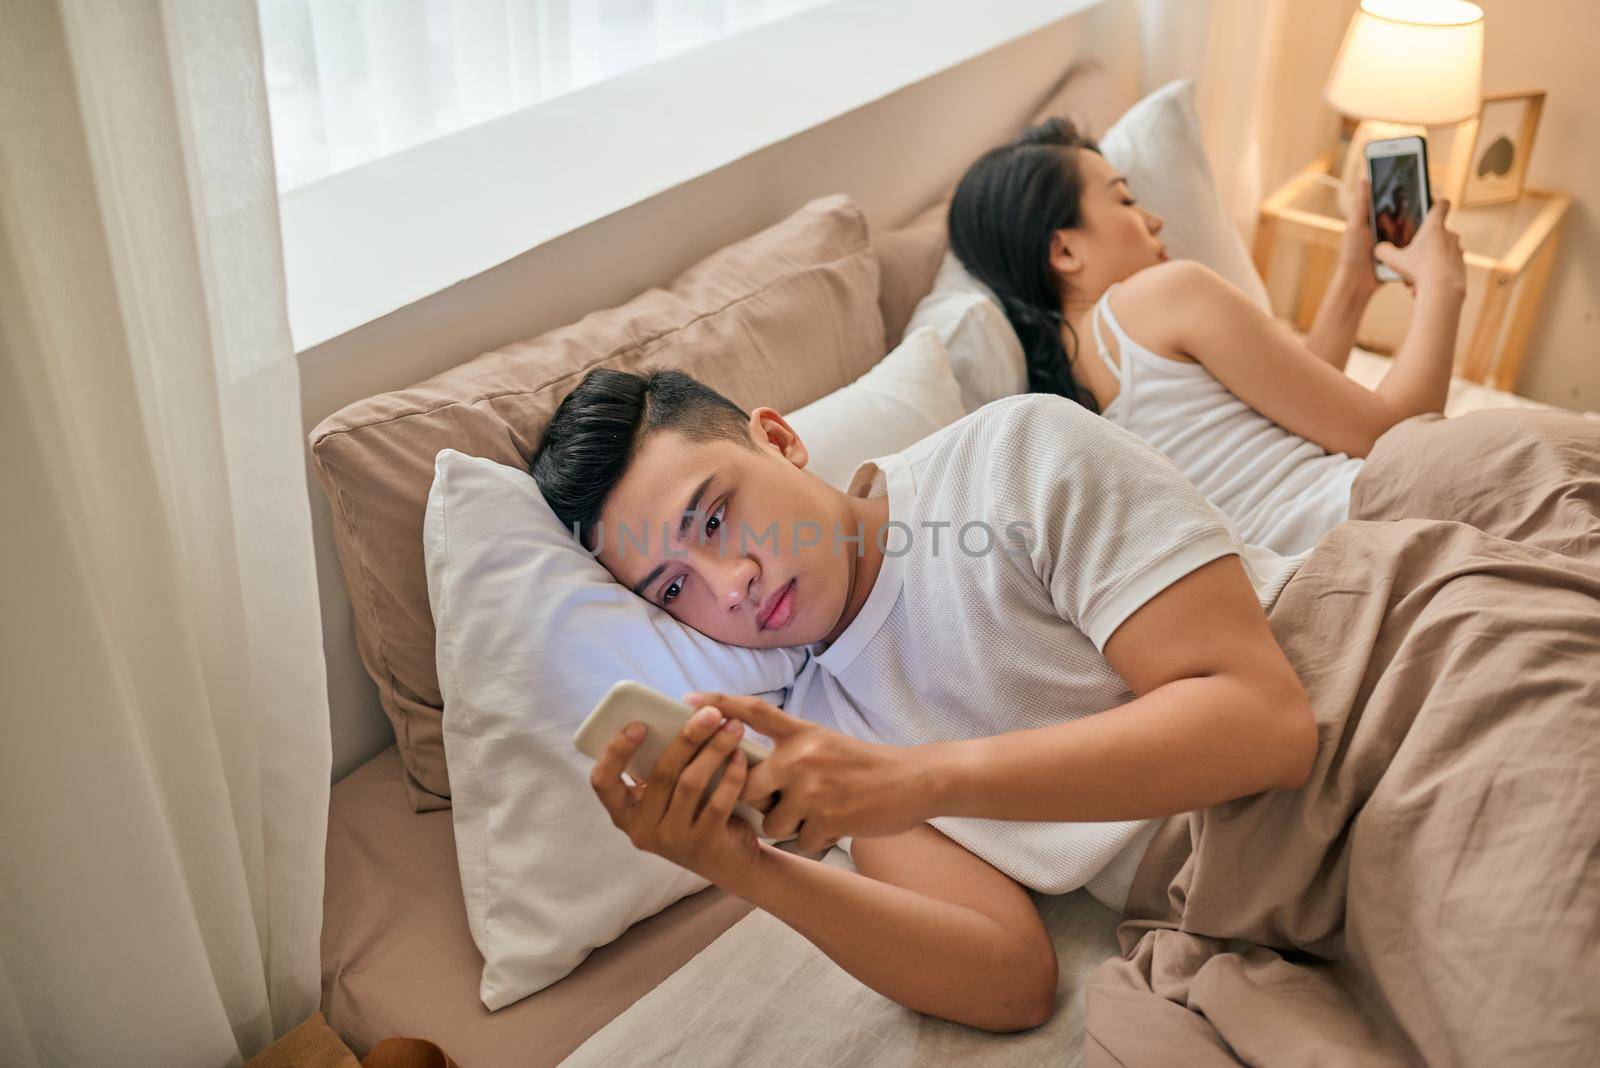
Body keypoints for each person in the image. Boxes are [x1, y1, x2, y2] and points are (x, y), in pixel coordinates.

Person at [527, 365, 1600, 1058]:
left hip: (1383, 697)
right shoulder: (823, 726)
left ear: (779, 439)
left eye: (714, 515)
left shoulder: (1007, 456)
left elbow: (1259, 724)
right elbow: (1005, 980)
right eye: (673, 588)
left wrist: (924, 778)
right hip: (1237, 900)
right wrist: (749, 867)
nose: (729, 582)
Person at [945, 117, 1467, 555]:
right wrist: (1442, 286)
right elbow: (1395, 438)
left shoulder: (1073, 389)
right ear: (1064, 252)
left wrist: (1353, 286)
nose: (1154, 220)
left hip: (1305, 559)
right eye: (1125, 201)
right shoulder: (1163, 294)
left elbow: (1294, 404)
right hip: (1374, 516)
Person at [1375, 183, 1419, 247]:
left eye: (1403, 199)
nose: (1400, 202)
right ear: (1393, 200)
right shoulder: (1383, 219)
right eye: (1398, 198)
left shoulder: (1408, 224)